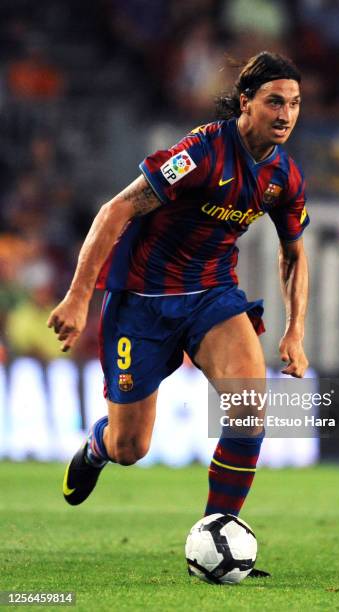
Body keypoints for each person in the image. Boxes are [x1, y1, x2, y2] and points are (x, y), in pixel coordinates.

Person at [48, 51, 310, 577]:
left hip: (212, 294)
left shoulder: (283, 177)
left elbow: (294, 252)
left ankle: (218, 533)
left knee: (250, 407)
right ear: (246, 104)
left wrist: (295, 330)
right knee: (130, 447)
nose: (285, 114)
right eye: (274, 102)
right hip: (142, 301)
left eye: (295, 104)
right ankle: (97, 449)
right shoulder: (202, 152)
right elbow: (115, 210)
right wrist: (79, 296)